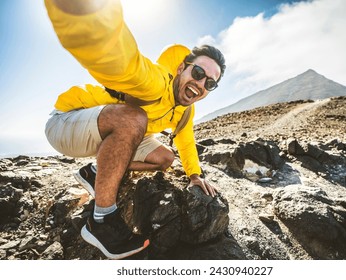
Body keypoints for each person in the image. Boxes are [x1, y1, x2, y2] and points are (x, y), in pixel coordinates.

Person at [44, 0, 226, 259]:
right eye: (197, 72)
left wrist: (195, 175)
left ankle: (94, 171)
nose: (201, 83)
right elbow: (122, 60)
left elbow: (186, 142)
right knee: (134, 119)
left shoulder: (185, 110)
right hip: (66, 122)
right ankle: (102, 220)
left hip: (105, 131)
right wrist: (85, 15)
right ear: (181, 69)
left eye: (210, 83)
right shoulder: (154, 83)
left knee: (166, 158)